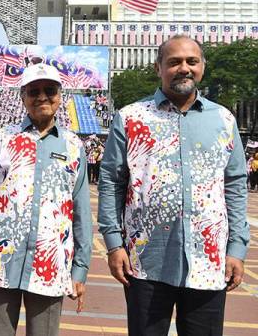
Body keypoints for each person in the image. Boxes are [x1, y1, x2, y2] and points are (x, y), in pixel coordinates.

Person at [98, 35, 250, 336]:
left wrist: (236, 248)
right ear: (159, 68)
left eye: (192, 61)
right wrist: (114, 244)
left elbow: (234, 184)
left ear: (202, 67)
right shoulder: (130, 118)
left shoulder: (223, 119)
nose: (184, 68)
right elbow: (111, 182)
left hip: (209, 260)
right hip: (144, 260)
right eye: (174, 62)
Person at [0, 63, 92, 336]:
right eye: (33, 91)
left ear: (60, 96)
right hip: (2, 258)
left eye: (50, 90)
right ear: (22, 96)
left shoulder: (74, 146)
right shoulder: (3, 138)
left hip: (51, 262)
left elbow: (81, 211)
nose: (42, 97)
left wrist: (80, 269)